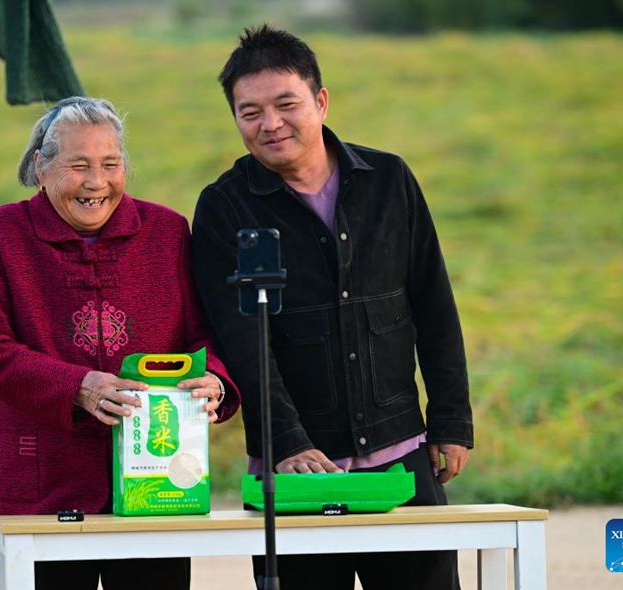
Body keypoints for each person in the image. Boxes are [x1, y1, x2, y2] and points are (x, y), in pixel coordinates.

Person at [191, 25, 473, 590]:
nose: (270, 124)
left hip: (401, 455)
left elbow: (433, 304)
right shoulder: (224, 206)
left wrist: (451, 419)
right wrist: (287, 443)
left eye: (286, 104)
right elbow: (242, 342)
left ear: (320, 101)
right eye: (250, 112)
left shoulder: (389, 179)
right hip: (297, 470)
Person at [0, 96, 239, 590]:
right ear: (41, 168)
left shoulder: (167, 232)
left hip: (158, 478)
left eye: (111, 164)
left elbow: (203, 334)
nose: (97, 182)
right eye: (79, 165)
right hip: (45, 481)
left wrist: (213, 379)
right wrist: (77, 386)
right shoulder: (0, 235)